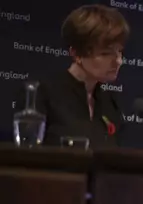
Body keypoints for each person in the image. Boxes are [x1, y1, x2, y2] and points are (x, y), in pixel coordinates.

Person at [15, 5, 130, 148]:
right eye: (106, 53)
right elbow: (27, 156)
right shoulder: (43, 94)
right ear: (76, 54)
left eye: (119, 52)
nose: (118, 61)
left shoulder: (110, 103)